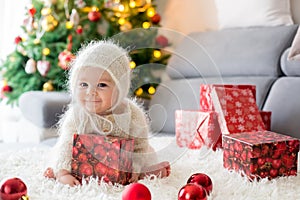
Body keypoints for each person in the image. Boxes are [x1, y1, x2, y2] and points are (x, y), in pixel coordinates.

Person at [43, 40, 170, 186]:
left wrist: (134, 168)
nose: (91, 92)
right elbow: (66, 144)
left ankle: (147, 173)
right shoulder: (76, 115)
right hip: (84, 162)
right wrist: (63, 172)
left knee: (140, 166)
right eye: (83, 84)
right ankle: (57, 172)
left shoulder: (131, 114)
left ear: (119, 88)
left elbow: (140, 146)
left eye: (102, 85)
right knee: (61, 160)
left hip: (122, 165)